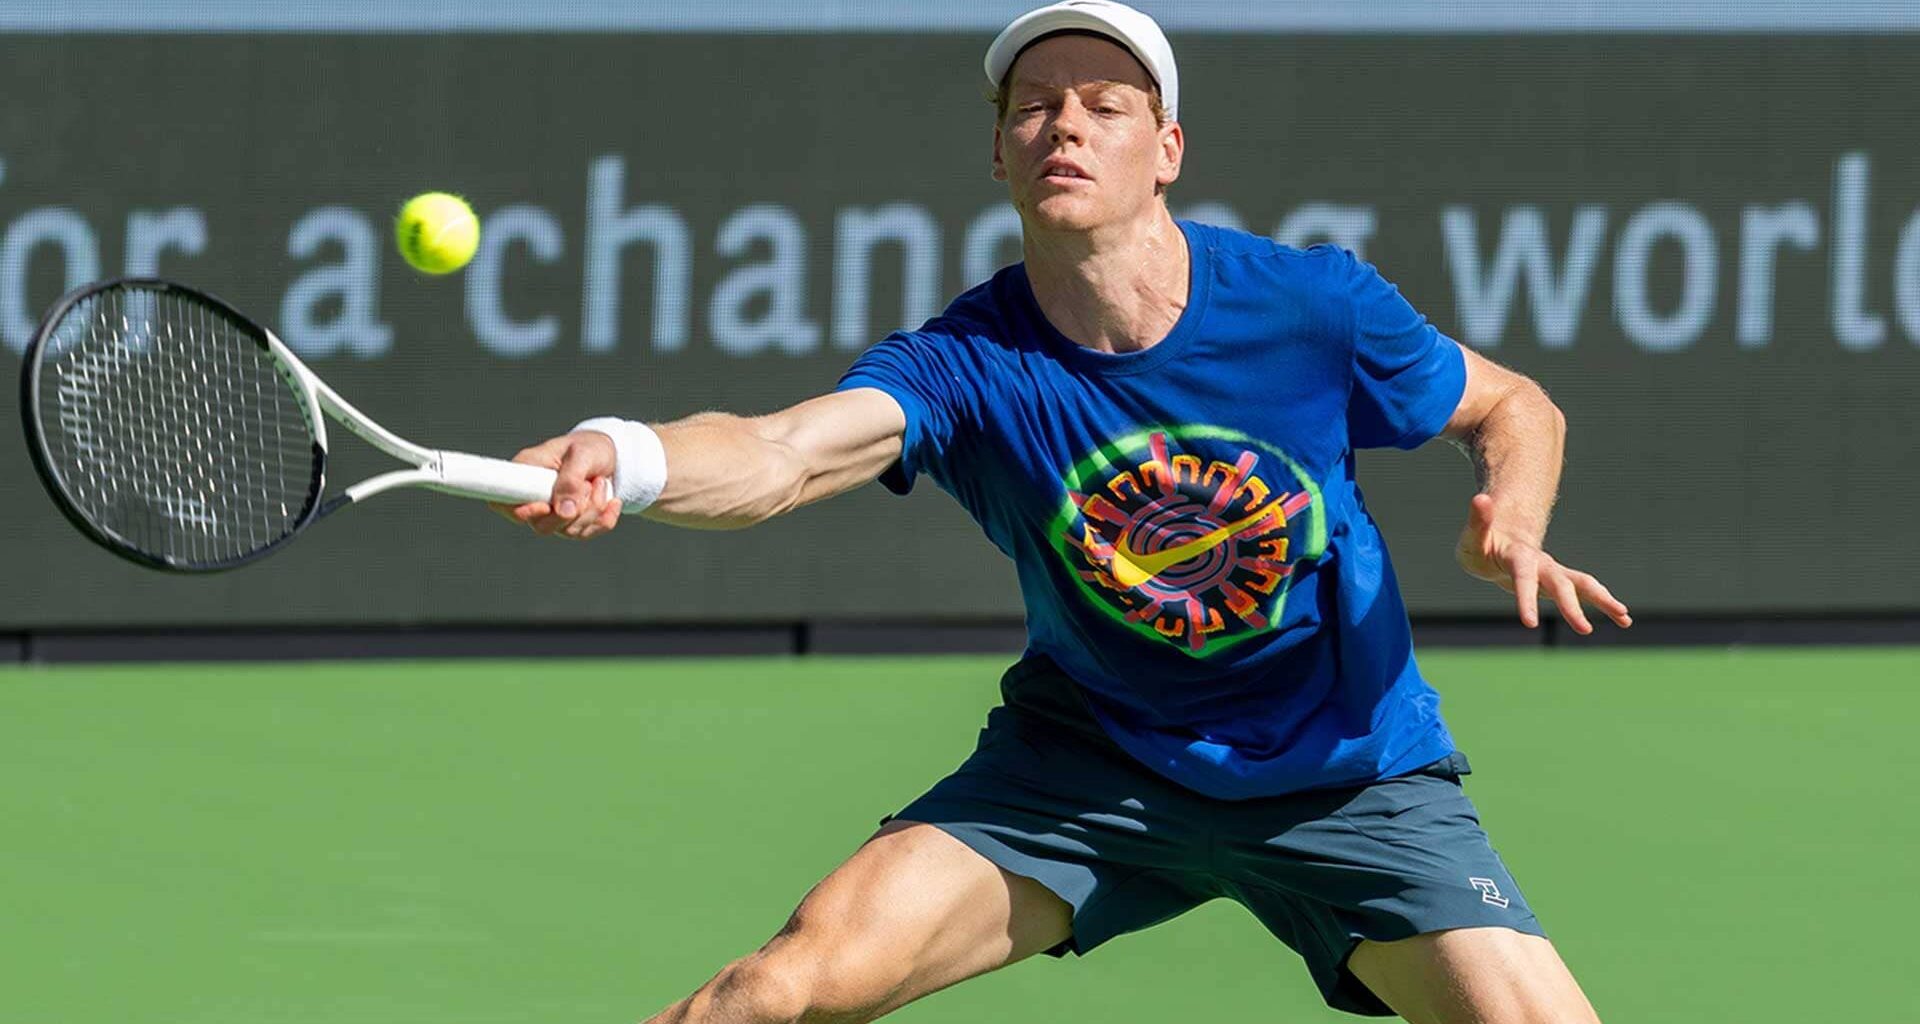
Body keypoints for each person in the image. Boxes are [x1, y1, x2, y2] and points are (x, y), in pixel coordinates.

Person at [499, 2, 1632, 1020]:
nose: (1066, 127)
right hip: (1090, 766)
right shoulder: (966, 363)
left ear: (1167, 149)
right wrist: (629, 456)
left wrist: (1515, 521)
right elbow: (781, 454)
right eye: (1035, 107)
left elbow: (1514, 406)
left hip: (1348, 771)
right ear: (999, 152)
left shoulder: (1312, 306)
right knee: (771, 994)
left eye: (1104, 105)